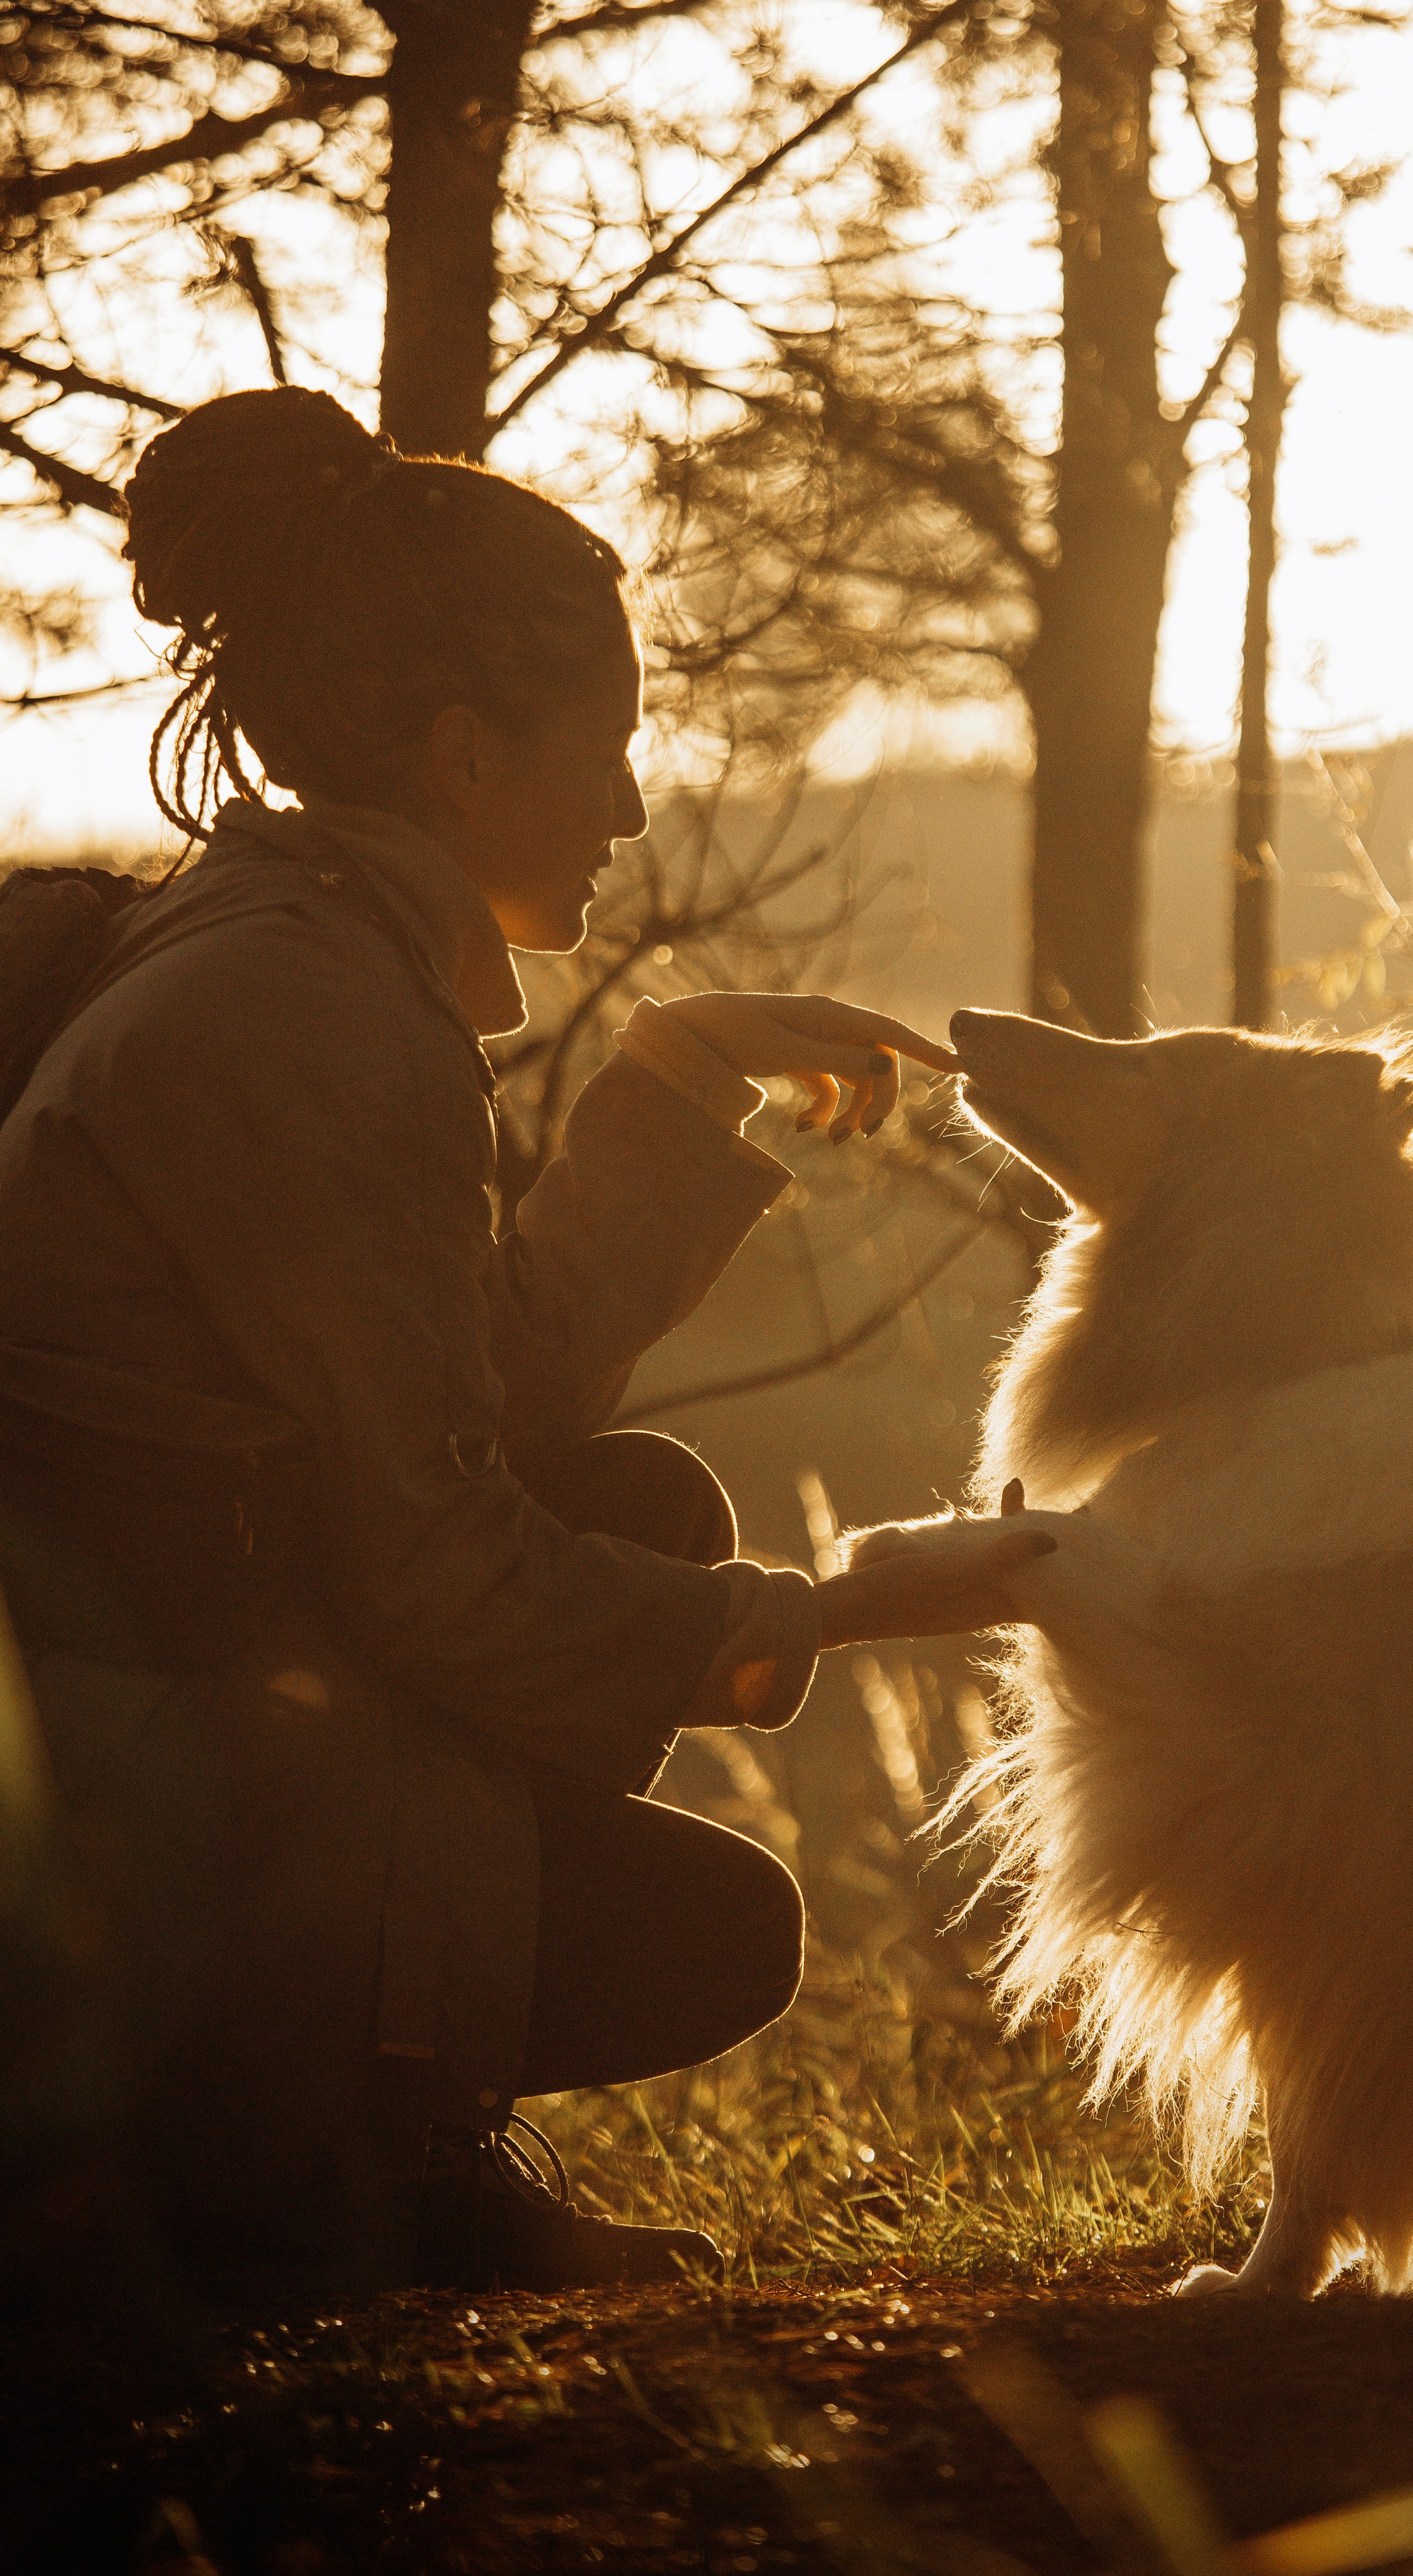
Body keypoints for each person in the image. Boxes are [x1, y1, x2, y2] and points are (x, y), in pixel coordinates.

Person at [0, 388, 1052, 2303]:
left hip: (131, 1730)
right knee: (710, 1930)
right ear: (468, 755)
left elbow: (450, 1410)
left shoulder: (279, 946)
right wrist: (834, 1611)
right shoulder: (305, 1022)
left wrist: (668, 1075)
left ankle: (338, 2127)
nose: (637, 806)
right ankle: (288, 2171)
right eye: (614, 749)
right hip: (104, 1800)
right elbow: (437, 1567)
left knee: (633, 1501)